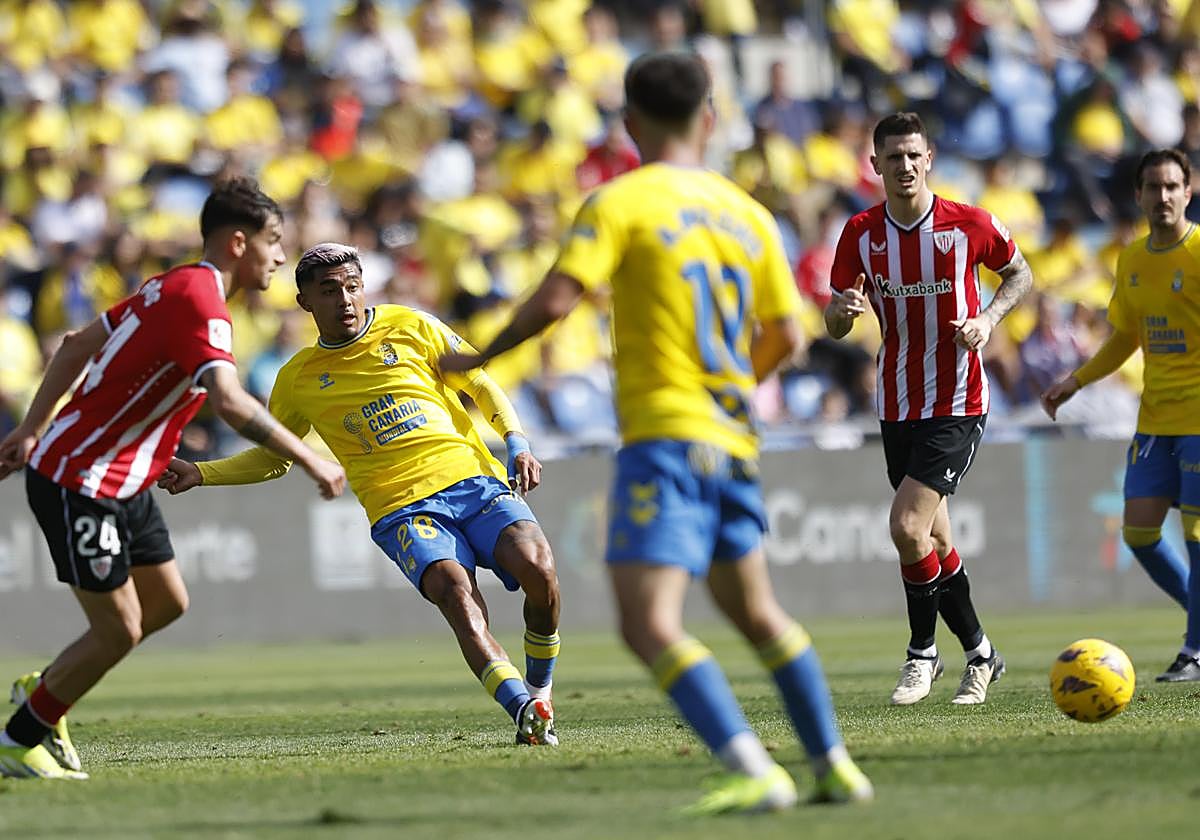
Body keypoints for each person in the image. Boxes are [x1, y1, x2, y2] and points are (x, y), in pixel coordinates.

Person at [441, 51, 872, 814]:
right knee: (758, 614)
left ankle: (752, 765)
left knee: (647, 623)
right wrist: (731, 387)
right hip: (733, 439)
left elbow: (555, 302)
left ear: (631, 123)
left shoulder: (621, 202)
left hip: (667, 438)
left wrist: (479, 355)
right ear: (709, 119)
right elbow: (785, 336)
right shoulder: (748, 213)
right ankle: (833, 764)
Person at [0, 178, 347, 781]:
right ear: (239, 243)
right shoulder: (197, 299)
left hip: (124, 480)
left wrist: (30, 427)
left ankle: (47, 687)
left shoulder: (171, 285)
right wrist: (311, 457)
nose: (281, 257)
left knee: (166, 603)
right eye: (274, 242)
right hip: (79, 478)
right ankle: (18, 738)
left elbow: (76, 343)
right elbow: (230, 402)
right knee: (119, 630)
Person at [158, 243, 562, 745]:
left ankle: (540, 690)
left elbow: (479, 385)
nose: (344, 300)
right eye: (328, 292)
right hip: (402, 509)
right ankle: (524, 711)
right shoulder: (297, 379)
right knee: (457, 596)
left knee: (540, 571)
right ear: (305, 302)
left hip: (474, 480)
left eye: (351, 287)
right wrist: (202, 473)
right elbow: (274, 458)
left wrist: (518, 443)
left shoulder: (412, 325)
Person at [825, 112, 1033, 706]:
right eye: (894, 157)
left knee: (906, 526)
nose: (905, 166)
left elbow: (1020, 273)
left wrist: (989, 320)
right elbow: (837, 321)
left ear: (930, 158)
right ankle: (982, 653)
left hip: (957, 401)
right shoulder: (860, 234)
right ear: (876, 165)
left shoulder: (968, 224)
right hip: (896, 403)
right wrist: (842, 315)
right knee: (935, 543)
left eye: (914, 155)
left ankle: (922, 655)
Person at [1043, 148, 1200, 682]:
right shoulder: (1131, 260)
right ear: (1138, 195)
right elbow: (1127, 338)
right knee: (1139, 534)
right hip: (1155, 420)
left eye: (1172, 186)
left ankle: (1194, 650)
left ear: (1189, 190)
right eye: (1153, 187)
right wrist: (1076, 380)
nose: (1163, 197)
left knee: (1198, 535)